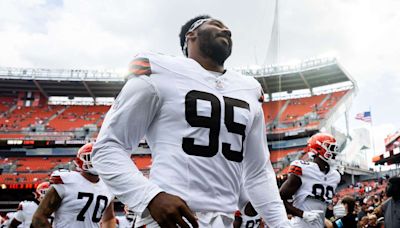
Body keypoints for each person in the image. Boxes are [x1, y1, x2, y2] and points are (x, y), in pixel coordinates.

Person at [92, 15, 290, 228]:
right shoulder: (159, 70)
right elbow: (107, 148)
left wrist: (281, 224)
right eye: (216, 25)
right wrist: (151, 197)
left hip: (223, 220)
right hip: (168, 218)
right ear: (191, 35)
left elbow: (258, 171)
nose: (227, 31)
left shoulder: (249, 89)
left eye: (228, 28)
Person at [31, 143, 115, 228]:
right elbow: (39, 218)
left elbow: (109, 218)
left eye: (100, 158)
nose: (96, 161)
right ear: (80, 160)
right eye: (90, 158)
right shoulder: (65, 180)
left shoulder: (107, 186)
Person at [279, 133, 341, 228]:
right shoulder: (303, 169)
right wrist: (302, 214)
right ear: (318, 149)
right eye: (331, 148)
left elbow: (321, 206)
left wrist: (334, 213)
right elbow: (279, 199)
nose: (334, 153)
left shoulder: (335, 176)